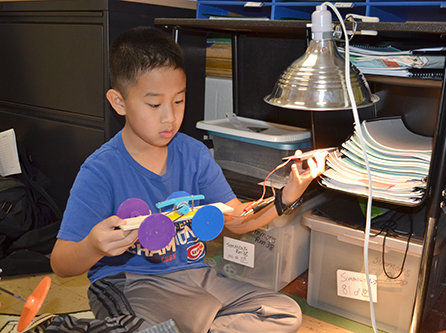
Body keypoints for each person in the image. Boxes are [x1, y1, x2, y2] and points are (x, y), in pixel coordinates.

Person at [50, 26, 325, 333]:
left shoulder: (194, 154)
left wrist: (287, 195)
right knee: (139, 327)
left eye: (179, 101)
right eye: (154, 105)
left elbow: (237, 220)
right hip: (133, 284)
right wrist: (93, 246)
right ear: (119, 102)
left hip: (197, 277)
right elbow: (60, 263)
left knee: (283, 312)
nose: (169, 117)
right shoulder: (101, 171)